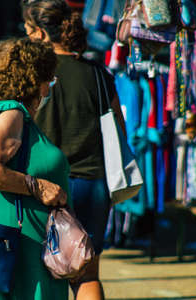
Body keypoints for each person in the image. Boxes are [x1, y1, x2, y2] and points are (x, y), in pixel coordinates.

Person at [22, 1, 126, 299]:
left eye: (29, 32)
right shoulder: (99, 73)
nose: (27, 38)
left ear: (42, 34)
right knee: (86, 274)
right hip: (92, 185)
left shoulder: (32, 74)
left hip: (43, 186)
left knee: (40, 273)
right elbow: (119, 129)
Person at [0, 37, 69, 300]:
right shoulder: (12, 112)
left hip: (20, 247)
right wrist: (38, 186)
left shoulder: (9, 114)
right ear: (35, 80)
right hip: (19, 250)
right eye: (50, 80)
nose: (49, 89)